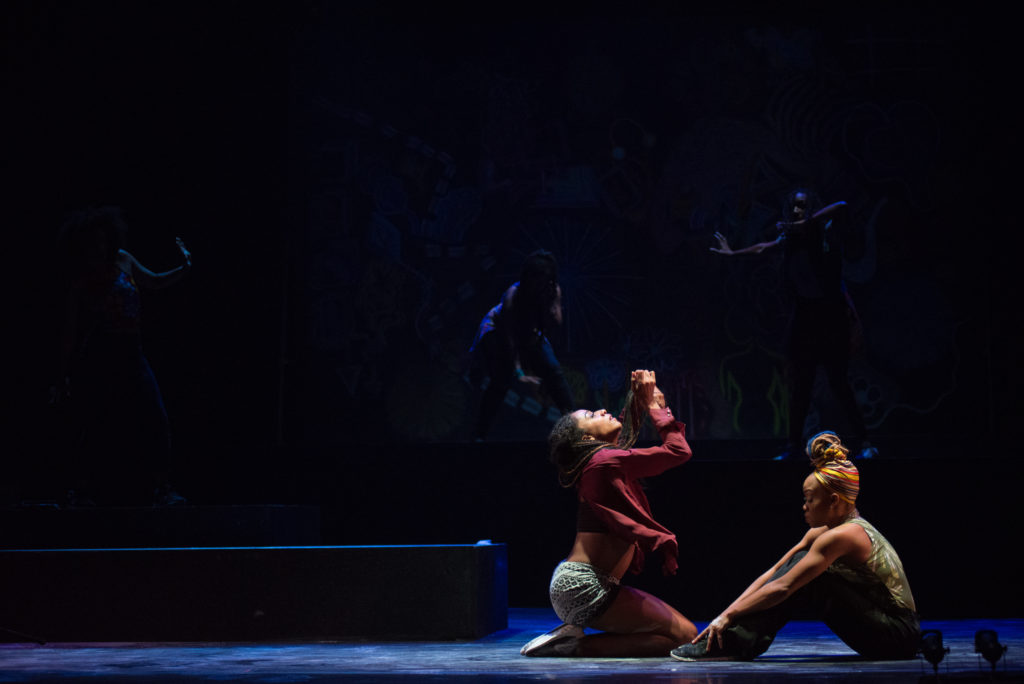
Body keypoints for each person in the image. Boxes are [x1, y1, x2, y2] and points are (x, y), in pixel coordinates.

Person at [670, 430, 919, 662]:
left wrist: (730, 616)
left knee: (811, 578)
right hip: (881, 626)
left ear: (834, 501)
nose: (804, 506)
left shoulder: (846, 534)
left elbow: (784, 587)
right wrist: (723, 616)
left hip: (897, 636)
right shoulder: (821, 533)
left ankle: (733, 644)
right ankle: (725, 640)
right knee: (797, 566)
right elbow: (774, 573)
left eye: (810, 500)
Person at [520, 369, 698, 657]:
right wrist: (656, 408)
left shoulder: (601, 463)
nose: (602, 410)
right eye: (592, 414)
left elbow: (625, 438)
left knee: (681, 637)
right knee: (686, 636)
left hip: (579, 584)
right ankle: (573, 645)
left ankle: (572, 640)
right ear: (586, 437)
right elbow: (678, 451)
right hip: (583, 585)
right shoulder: (603, 462)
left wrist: (638, 401)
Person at [710, 189, 874, 460]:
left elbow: (843, 204)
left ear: (811, 209)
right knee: (802, 385)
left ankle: (866, 441)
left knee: (838, 383)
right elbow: (765, 247)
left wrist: (807, 223)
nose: (797, 211)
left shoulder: (825, 231)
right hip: (806, 318)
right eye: (794, 207)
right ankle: (792, 446)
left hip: (830, 317)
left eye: (803, 206)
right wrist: (733, 253)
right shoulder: (791, 238)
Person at [51, 206, 191, 506]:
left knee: (155, 416)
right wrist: (62, 374)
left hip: (131, 351)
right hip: (101, 354)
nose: (99, 247)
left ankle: (161, 487)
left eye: (102, 241)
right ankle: (82, 488)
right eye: (92, 243)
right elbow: (70, 330)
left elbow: (152, 280)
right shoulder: (82, 279)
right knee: (95, 422)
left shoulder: (123, 260)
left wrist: (183, 267)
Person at [469, 249, 574, 440]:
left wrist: (551, 300)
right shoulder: (513, 294)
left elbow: (556, 322)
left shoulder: (552, 291)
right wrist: (519, 370)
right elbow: (510, 339)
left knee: (554, 373)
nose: (540, 283)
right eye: (536, 278)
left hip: (529, 333)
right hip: (496, 330)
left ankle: (574, 428)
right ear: (528, 277)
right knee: (501, 379)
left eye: (545, 278)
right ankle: (479, 435)